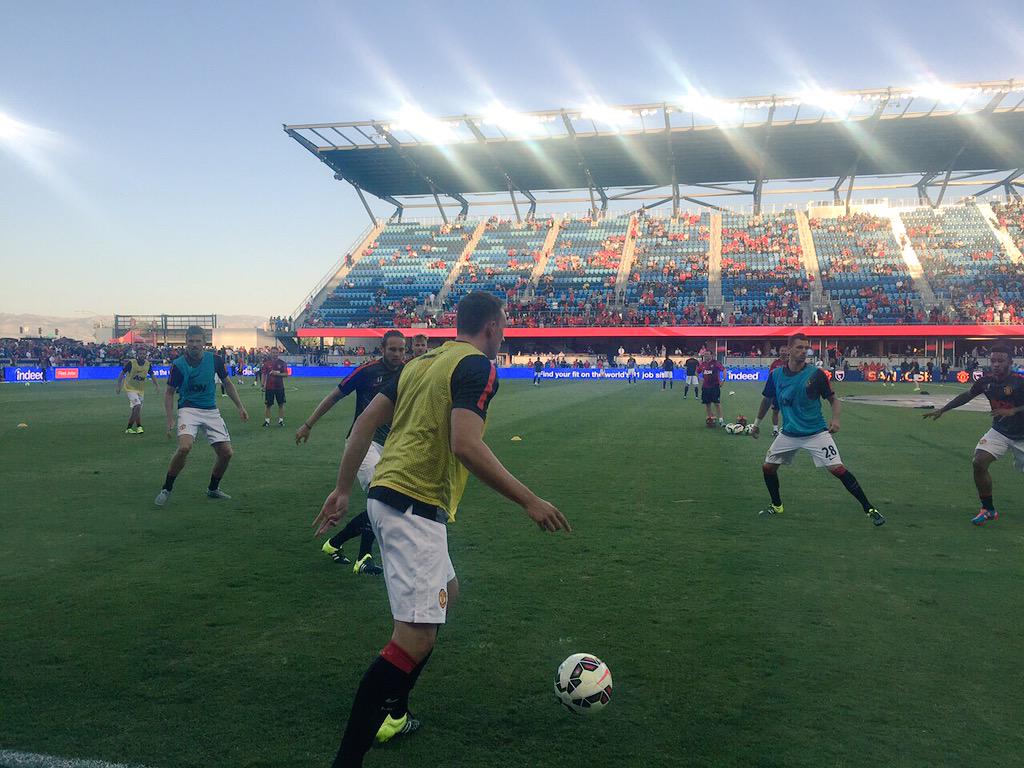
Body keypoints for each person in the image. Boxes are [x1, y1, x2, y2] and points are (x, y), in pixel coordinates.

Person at [312, 292, 570, 765]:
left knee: (446, 592)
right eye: (506, 324)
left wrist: (344, 489)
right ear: (491, 327)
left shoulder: (421, 362)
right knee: (414, 638)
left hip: (391, 497)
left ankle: (395, 708)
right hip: (414, 505)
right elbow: (465, 444)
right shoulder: (477, 366)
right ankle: (353, 754)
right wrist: (530, 501)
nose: (507, 332)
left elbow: (365, 424)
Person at [296, 331, 407, 575]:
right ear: (382, 348)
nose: (398, 354)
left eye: (401, 350)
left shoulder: (408, 371)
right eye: (393, 349)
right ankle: (363, 557)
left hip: (393, 445)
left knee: (387, 502)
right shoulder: (366, 371)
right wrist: (308, 424)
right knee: (383, 499)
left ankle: (336, 544)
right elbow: (334, 396)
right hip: (362, 444)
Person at [751, 333, 885, 526]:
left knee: (837, 469)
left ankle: (869, 508)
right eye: (799, 347)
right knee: (768, 467)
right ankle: (777, 505)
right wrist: (756, 424)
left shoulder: (816, 375)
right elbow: (767, 399)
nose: (804, 351)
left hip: (816, 433)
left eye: (806, 348)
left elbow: (833, 399)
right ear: (788, 350)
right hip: (789, 433)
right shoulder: (776, 375)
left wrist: (836, 419)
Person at [922, 345, 1024, 525]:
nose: (996, 365)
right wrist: (944, 410)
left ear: (1010, 362)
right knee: (979, 462)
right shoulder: (986, 381)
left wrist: (1014, 410)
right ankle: (988, 509)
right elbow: (967, 395)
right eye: (993, 361)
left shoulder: (1019, 381)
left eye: (1001, 361)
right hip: (1000, 431)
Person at [155, 326, 248, 506]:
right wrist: (169, 418)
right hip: (188, 409)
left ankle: (213, 489)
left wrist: (240, 407)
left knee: (226, 453)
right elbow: (169, 393)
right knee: (184, 448)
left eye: (198, 341)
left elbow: (227, 383)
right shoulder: (179, 365)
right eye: (191, 341)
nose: (194, 345)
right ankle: (167, 488)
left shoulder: (215, 360)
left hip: (210, 410)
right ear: (186, 342)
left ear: (204, 343)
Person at [115, 350, 159, 434]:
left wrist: (156, 385)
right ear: (137, 355)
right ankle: (139, 426)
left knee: (136, 409)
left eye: (144, 354)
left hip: (140, 390)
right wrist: (118, 386)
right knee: (138, 406)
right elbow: (122, 373)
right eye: (140, 354)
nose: (142, 355)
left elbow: (152, 375)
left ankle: (129, 428)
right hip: (130, 388)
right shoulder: (131, 363)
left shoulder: (147, 364)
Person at [261, 348, 289, 427]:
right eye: (273, 352)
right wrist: (262, 385)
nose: (275, 354)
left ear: (278, 353)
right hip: (269, 387)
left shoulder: (282, 363)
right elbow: (263, 374)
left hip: (279, 387)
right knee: (268, 405)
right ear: (270, 353)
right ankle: (267, 421)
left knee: (281, 404)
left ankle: (281, 421)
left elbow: (286, 374)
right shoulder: (267, 363)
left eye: (276, 353)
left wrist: (277, 374)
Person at [697, 354, 725, 426]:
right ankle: (711, 419)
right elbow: (697, 371)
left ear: (711, 356)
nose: (706, 356)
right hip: (705, 387)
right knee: (707, 404)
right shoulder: (703, 364)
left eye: (707, 355)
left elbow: (724, 370)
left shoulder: (716, 363)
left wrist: (723, 380)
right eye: (705, 355)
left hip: (715, 386)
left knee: (717, 403)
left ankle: (721, 420)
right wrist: (699, 380)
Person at [768, 355, 787, 437]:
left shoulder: (790, 362)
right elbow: (771, 374)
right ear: (780, 352)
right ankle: (775, 430)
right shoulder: (775, 363)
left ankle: (787, 429)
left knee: (787, 411)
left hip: (788, 390)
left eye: (785, 350)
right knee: (775, 411)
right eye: (782, 350)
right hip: (777, 391)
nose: (784, 352)